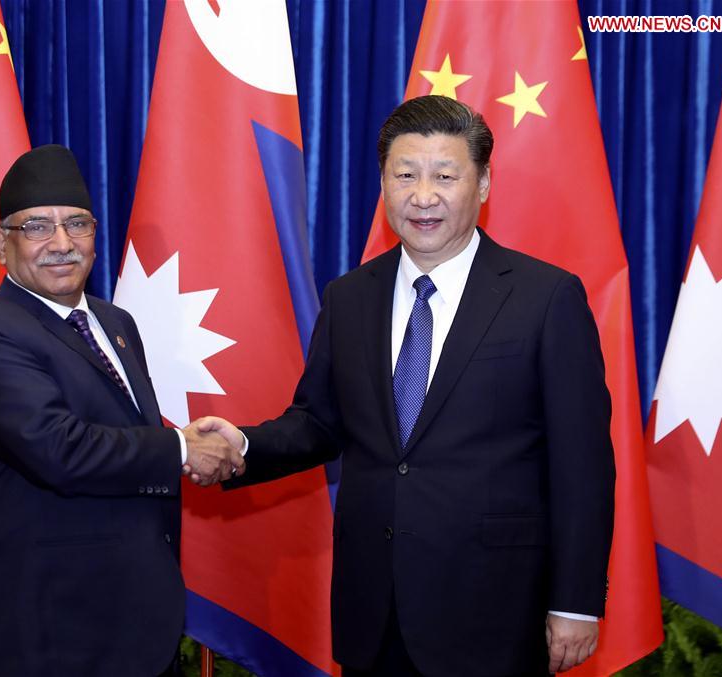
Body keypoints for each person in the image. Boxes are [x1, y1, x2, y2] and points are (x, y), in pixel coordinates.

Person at [196, 96, 616, 676]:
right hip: (375, 610)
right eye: (405, 175)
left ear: (484, 182)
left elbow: (583, 464)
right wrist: (242, 446)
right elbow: (319, 423)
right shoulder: (350, 297)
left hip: (494, 609)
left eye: (445, 176)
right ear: (383, 184)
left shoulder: (546, 298)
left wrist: (574, 601)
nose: (423, 196)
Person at [0, 144, 243, 676]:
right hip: (47, 633)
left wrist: (188, 439)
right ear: (1, 243)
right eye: (36, 226)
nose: (61, 244)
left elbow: (123, 431)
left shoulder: (117, 324)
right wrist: (180, 448)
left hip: (138, 627)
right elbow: (58, 448)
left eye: (76, 224)